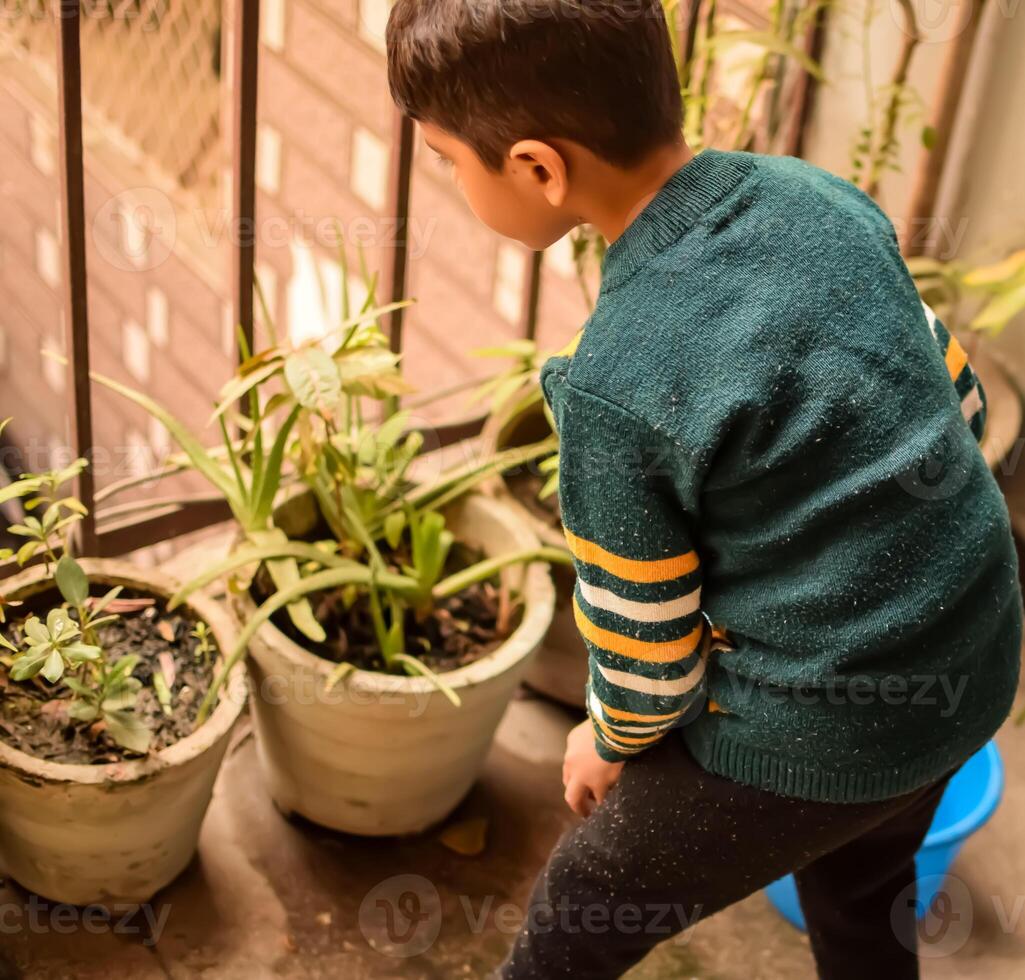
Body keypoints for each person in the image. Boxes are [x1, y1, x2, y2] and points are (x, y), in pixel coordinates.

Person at [386, 2, 1022, 977]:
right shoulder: (818, 200)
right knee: (859, 893)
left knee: (585, 899)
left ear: (536, 167)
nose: (445, 179)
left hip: (829, 717)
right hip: (973, 646)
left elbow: (648, 663)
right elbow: (958, 401)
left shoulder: (614, 385)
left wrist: (603, 739)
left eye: (444, 158)